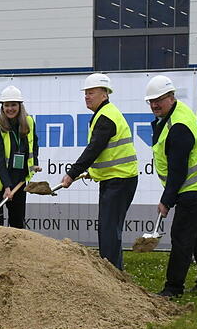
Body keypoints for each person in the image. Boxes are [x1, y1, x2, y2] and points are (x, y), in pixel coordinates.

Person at [145, 75, 197, 297]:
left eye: (160, 99)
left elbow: (178, 171)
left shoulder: (179, 127)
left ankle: (173, 288)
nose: (155, 105)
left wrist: (166, 200)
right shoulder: (172, 115)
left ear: (171, 97)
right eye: (151, 101)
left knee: (182, 235)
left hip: (196, 186)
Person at [59, 73, 139, 270]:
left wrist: (71, 173)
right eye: (85, 93)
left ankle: (111, 273)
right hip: (117, 179)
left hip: (119, 181)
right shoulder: (104, 115)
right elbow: (106, 153)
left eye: (91, 92)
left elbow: (93, 150)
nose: (87, 96)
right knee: (109, 227)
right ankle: (113, 270)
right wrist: (91, 173)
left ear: (104, 94)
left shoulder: (106, 118)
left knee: (109, 229)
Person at [0, 85, 41, 228]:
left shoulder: (29, 122)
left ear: (20, 106)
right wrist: (7, 186)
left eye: (13, 105)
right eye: (6, 105)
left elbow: (34, 143)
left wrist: (34, 162)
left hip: (18, 179)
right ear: (2, 107)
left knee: (17, 221)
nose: (10, 109)